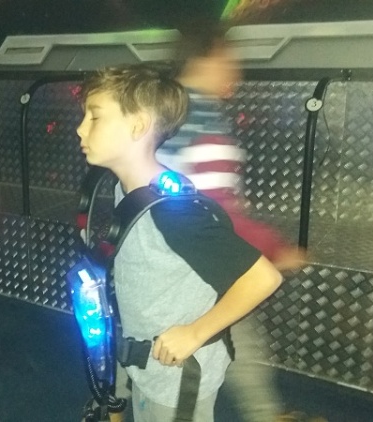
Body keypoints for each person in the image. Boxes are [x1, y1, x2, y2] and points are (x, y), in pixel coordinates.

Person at [76, 63, 283, 421]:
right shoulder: (123, 188)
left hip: (176, 377)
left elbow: (263, 277)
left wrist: (194, 334)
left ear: (138, 126)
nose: (81, 128)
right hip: (144, 362)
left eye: (94, 117)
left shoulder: (172, 211)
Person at [158, 18, 307, 422]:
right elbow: (219, 213)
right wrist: (274, 250)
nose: (235, 71)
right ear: (206, 57)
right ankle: (266, 416)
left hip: (163, 252)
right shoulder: (203, 120)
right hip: (198, 259)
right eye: (230, 59)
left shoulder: (166, 107)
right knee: (240, 334)